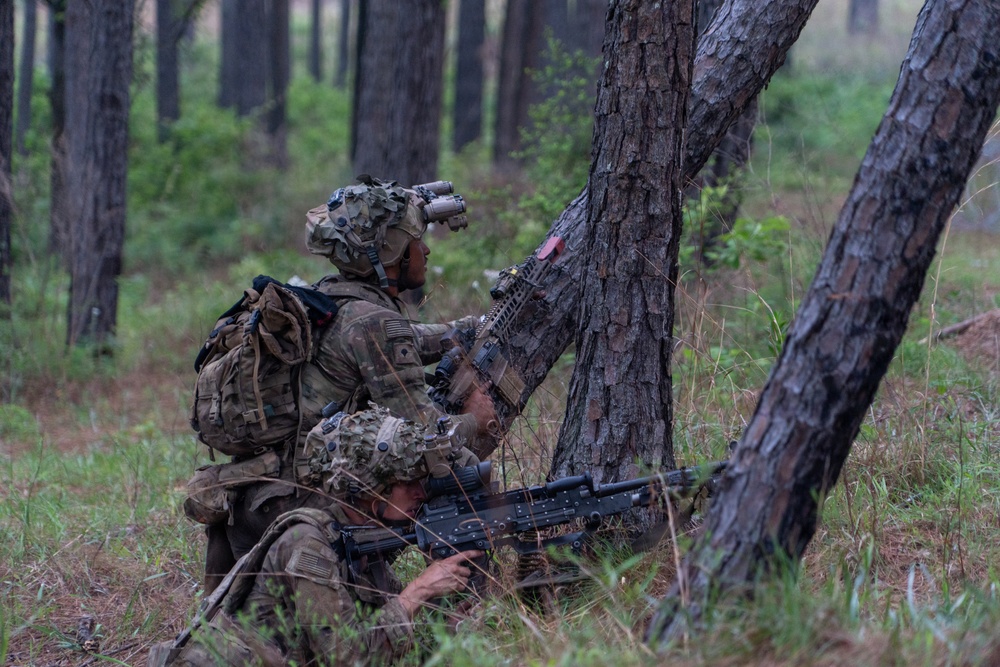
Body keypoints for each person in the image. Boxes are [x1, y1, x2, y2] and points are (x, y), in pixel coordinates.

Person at [197, 176, 498, 591]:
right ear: (391, 252)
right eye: (416, 241)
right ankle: (463, 602)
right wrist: (475, 420)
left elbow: (402, 340)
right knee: (459, 471)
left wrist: (469, 329)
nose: (425, 251)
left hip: (251, 503)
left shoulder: (323, 302)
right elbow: (430, 440)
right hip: (305, 513)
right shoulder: (375, 323)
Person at [158, 406, 484, 667]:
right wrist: (419, 590)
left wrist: (448, 623)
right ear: (373, 489)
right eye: (408, 482)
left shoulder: (358, 542)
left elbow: (382, 645)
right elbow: (346, 658)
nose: (420, 492)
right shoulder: (308, 543)